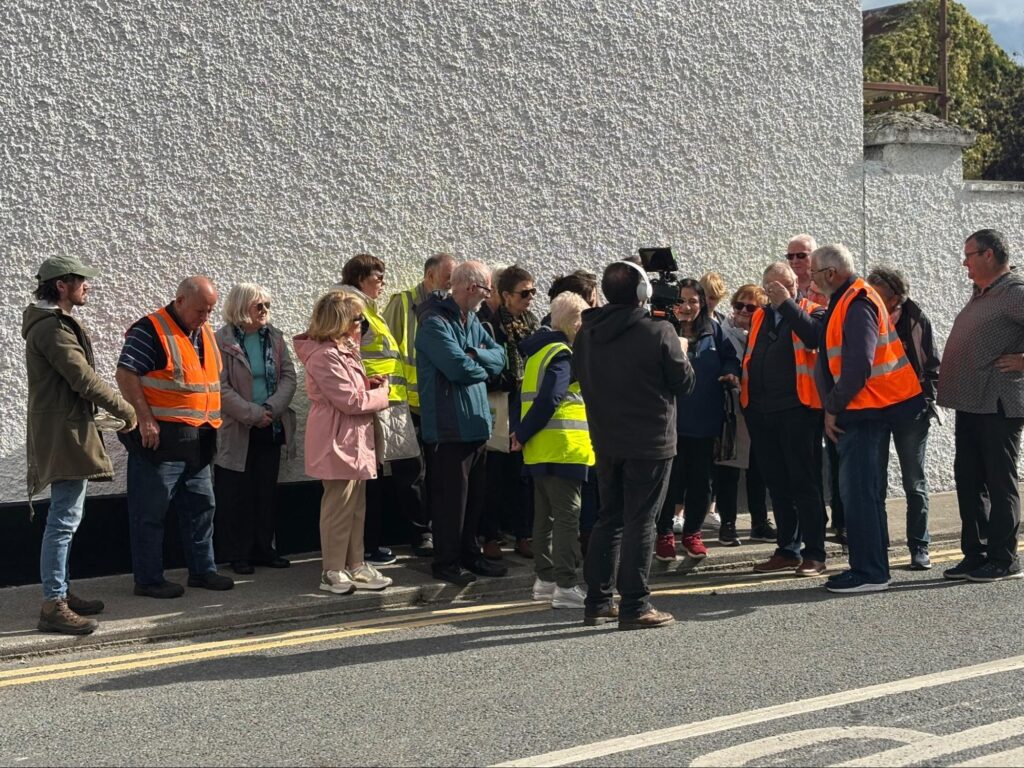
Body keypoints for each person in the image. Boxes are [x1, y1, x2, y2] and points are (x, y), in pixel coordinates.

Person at [574, 261, 695, 630]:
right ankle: (635, 604)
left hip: (606, 439)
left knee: (608, 518)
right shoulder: (659, 331)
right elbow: (684, 384)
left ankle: (597, 601)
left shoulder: (586, 332)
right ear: (643, 293)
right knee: (641, 521)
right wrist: (682, 347)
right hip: (651, 441)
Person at [24, 257, 137, 634]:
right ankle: (53, 603)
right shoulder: (52, 328)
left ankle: (61, 593)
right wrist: (126, 409)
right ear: (61, 285)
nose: (88, 286)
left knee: (67, 518)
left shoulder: (51, 323)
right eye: (82, 281)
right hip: (64, 432)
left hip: (66, 428)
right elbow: (82, 379)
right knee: (63, 520)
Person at [809, 245, 924, 594]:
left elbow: (858, 366)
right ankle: (871, 566)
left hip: (865, 411)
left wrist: (833, 407)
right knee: (863, 493)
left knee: (859, 492)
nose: (811, 281)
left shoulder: (857, 302)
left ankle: (870, 572)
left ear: (830, 273)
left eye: (814, 273)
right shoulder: (848, 299)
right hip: (864, 409)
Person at [116, 277, 234, 598]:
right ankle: (149, 579)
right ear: (180, 301)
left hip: (199, 440)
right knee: (150, 513)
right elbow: (126, 373)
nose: (205, 317)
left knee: (201, 508)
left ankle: (202, 570)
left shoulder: (205, 332)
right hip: (161, 440)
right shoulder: (150, 329)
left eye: (210, 311)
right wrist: (144, 418)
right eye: (200, 310)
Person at [938, 229, 1024, 582]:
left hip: (998, 403)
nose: (965, 263)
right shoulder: (983, 295)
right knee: (970, 480)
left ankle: (1003, 559)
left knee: (999, 481)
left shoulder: (1013, 293)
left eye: (969, 255)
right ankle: (976, 554)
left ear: (989, 255)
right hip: (971, 403)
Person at [416, 261, 508, 585]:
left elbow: (502, 356)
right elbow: (456, 369)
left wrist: (475, 355)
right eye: (487, 289)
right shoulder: (434, 323)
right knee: (450, 503)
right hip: (448, 427)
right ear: (471, 288)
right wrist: (481, 367)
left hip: (476, 424)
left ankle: (470, 555)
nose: (488, 295)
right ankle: (446, 563)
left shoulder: (473, 322)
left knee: (473, 500)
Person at [293, 291, 393, 594]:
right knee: (338, 506)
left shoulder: (343, 350)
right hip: (336, 436)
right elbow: (350, 400)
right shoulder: (324, 355)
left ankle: (356, 565)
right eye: (357, 319)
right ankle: (332, 570)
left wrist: (368, 385)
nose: (361, 325)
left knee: (355, 505)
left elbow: (352, 393)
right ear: (340, 321)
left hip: (352, 436)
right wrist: (382, 394)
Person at [339, 254, 428, 565]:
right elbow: (345, 355)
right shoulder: (353, 307)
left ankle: (377, 544)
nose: (383, 283)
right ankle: (369, 547)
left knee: (393, 472)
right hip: (375, 403)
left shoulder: (366, 309)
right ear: (362, 278)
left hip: (387, 403)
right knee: (374, 476)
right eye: (378, 278)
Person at [744, 261, 828, 576]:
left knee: (805, 483)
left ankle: (815, 553)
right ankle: (787, 549)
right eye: (775, 287)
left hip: (799, 410)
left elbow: (813, 337)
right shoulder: (759, 317)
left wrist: (788, 304)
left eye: (788, 284)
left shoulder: (813, 309)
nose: (783, 290)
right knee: (777, 484)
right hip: (762, 411)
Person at [513, 291, 594, 609]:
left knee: (543, 518)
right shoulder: (562, 354)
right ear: (574, 322)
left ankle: (545, 580)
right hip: (563, 447)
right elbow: (551, 398)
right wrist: (523, 432)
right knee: (566, 518)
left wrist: (523, 433)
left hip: (539, 448)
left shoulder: (537, 353)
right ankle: (566, 584)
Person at [212, 283, 297, 575]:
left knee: (265, 490)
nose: (265, 311)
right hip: (238, 427)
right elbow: (218, 387)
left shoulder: (274, 337)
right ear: (240, 307)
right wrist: (252, 413)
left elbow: (289, 376)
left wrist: (271, 409)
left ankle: (264, 549)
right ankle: (238, 553)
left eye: (268, 305)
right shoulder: (220, 341)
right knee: (236, 493)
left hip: (270, 424)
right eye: (259, 306)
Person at [655, 279, 740, 563]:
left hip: (704, 421)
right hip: (669, 423)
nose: (687, 306)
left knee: (701, 482)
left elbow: (731, 359)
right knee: (670, 482)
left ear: (702, 303)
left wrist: (730, 373)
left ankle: (692, 533)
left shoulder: (713, 330)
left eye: (694, 301)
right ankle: (665, 533)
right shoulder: (662, 330)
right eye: (681, 301)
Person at [382, 252, 457, 558]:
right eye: (447, 279)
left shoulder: (448, 306)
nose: (450, 287)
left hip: (437, 404)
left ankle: (440, 529)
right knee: (410, 474)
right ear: (429, 277)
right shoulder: (401, 303)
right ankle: (420, 533)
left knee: (440, 473)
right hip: (404, 405)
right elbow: (386, 351)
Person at [866, 266, 941, 571]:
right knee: (876, 484)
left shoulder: (915, 319)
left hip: (911, 410)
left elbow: (932, 364)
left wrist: (926, 400)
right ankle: (879, 547)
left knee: (914, 481)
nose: (868, 294)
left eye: (876, 289)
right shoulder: (865, 317)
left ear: (894, 295)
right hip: (874, 409)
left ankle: (919, 547)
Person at [478, 265, 541, 560]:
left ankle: (523, 534)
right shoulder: (489, 323)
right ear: (504, 295)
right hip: (500, 403)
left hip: (524, 404)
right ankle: (490, 536)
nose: (530, 298)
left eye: (533, 292)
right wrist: (506, 379)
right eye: (524, 293)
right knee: (495, 475)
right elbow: (484, 366)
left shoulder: (530, 321)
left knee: (522, 476)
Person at [713, 284, 776, 546]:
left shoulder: (767, 334)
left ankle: (759, 522)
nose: (743, 311)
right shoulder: (722, 332)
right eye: (739, 305)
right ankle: (727, 524)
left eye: (751, 307)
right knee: (728, 469)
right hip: (731, 409)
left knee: (759, 469)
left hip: (759, 408)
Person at [787, 233, 828, 305]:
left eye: (801, 255)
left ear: (815, 255)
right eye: (790, 256)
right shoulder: (783, 284)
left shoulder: (828, 283)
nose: (795, 261)